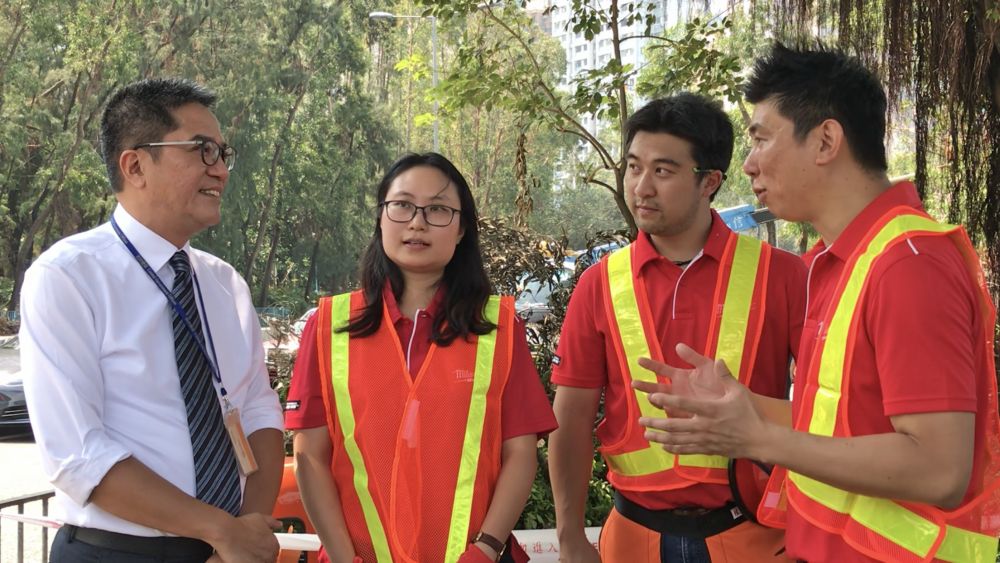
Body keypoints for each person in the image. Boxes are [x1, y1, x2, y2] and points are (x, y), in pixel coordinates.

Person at [637, 43, 1000, 562]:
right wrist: (739, 404)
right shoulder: (836, 263)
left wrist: (756, 437)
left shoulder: (908, 264)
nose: (749, 162)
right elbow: (837, 424)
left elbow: (940, 469)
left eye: (762, 137)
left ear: (826, 140)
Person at [19, 78, 285, 563]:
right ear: (135, 164)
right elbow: (78, 455)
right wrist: (220, 529)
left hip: (228, 549)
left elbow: (260, 412)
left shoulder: (226, 286)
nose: (221, 170)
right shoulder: (68, 278)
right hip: (117, 552)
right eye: (203, 151)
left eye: (224, 153)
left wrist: (242, 533)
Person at [548, 93, 807, 563]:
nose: (641, 187)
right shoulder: (598, 284)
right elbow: (570, 421)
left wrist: (808, 536)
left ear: (709, 181)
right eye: (632, 167)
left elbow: (828, 412)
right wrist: (569, 537)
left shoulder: (785, 276)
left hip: (755, 536)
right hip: (633, 539)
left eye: (663, 171)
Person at [285, 152, 557, 563]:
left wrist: (486, 548)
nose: (417, 222)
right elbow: (310, 456)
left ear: (462, 228)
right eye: (403, 206)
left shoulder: (497, 328)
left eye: (438, 210)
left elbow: (519, 453)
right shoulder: (328, 327)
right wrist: (344, 557)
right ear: (381, 218)